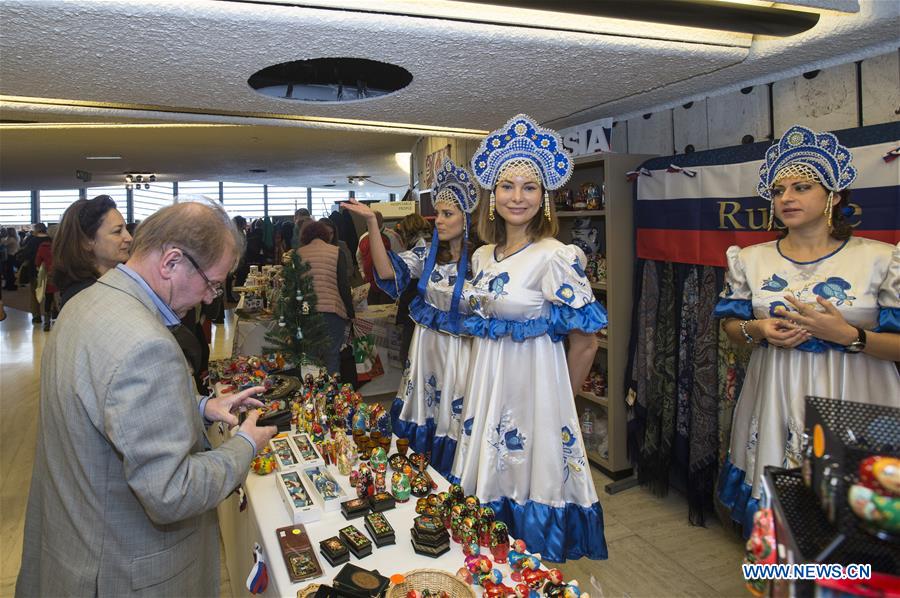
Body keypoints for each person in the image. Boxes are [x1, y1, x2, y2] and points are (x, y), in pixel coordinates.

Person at [16, 200, 277, 597]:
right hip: (124, 569)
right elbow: (172, 492)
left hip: (75, 547)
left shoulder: (85, 302)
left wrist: (202, 406)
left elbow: (106, 404)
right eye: (212, 283)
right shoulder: (147, 346)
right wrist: (244, 445)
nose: (210, 299)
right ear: (172, 262)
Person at [714, 124, 900, 534]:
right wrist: (759, 330)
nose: (787, 198)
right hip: (777, 393)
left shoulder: (882, 260)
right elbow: (731, 329)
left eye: (801, 187)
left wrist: (849, 335)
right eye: (779, 191)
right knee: (784, 526)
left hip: (856, 393)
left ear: (833, 195)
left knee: (859, 525)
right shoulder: (751, 259)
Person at [452, 114, 608, 562]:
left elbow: (586, 342)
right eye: (507, 185)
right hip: (488, 393)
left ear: (545, 198)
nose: (517, 196)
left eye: (529, 186)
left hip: (536, 398)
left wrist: (562, 405)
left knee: (528, 499)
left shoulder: (556, 257)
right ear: (492, 195)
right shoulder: (481, 256)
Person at [342, 159, 479, 478]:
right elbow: (388, 270)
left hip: (464, 356)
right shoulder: (427, 255)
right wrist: (372, 226)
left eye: (448, 214)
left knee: (458, 417)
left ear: (467, 218)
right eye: (438, 214)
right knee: (425, 413)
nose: (439, 221)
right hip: (426, 354)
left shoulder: (485, 261)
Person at [296, 220, 356, 375]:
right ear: (324, 235)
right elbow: (343, 285)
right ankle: (332, 395)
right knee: (332, 355)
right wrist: (350, 312)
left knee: (309, 355)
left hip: (307, 311)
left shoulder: (299, 253)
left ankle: (309, 395)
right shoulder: (336, 252)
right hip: (332, 310)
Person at [53, 195, 132, 309]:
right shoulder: (84, 297)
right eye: (117, 231)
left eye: (126, 229)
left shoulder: (110, 283)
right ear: (86, 241)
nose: (129, 238)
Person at [19, 223, 51, 323]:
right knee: (50, 293)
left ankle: (36, 316)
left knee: (34, 293)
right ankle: (51, 312)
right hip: (50, 271)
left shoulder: (32, 240)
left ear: (36, 230)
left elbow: (26, 254)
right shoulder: (51, 240)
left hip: (34, 270)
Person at [34, 226, 58, 331]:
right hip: (63, 276)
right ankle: (60, 319)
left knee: (48, 298)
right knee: (63, 297)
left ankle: (47, 323)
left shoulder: (43, 246)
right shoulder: (62, 246)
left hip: (49, 276)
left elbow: (37, 262)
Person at [3, 226, 19, 290]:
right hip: (12, 255)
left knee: (10, 271)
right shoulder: (14, 238)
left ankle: (11, 285)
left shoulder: (11, 239)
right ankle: (8, 285)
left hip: (11, 256)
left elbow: (4, 244)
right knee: (9, 271)